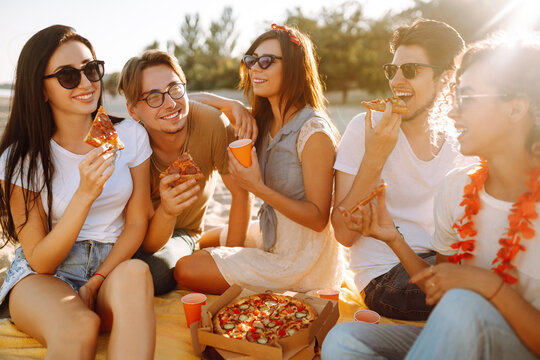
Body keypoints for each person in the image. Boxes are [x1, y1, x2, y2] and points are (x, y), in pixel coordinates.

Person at [322, 32, 540, 360]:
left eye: (467, 98)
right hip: (428, 301)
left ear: (516, 107)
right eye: (392, 70)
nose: (455, 113)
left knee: (462, 304)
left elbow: (459, 296)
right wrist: (392, 239)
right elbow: (441, 289)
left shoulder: (458, 148)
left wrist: (483, 285)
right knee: (343, 340)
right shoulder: (457, 189)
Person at [0, 25, 155, 359]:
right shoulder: (21, 158)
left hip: (111, 265)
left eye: (91, 69)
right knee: (80, 326)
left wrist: (97, 279)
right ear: (41, 90)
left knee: (138, 272)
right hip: (43, 277)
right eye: (68, 76)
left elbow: (136, 224)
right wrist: (84, 195)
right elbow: (41, 259)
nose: (86, 84)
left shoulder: (130, 135)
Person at [172, 24, 344, 294]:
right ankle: (242, 269)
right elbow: (185, 103)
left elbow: (318, 218)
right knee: (204, 241)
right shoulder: (264, 120)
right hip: (270, 233)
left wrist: (258, 188)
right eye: (251, 60)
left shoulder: (314, 132)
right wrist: (232, 105)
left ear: (295, 68)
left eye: (266, 61)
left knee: (186, 269)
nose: (255, 69)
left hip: (301, 259)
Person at [331, 19, 473, 320]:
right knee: (474, 296)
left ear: (446, 78)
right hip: (383, 275)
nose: (396, 81)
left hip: (442, 260)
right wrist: (375, 155)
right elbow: (343, 233)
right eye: (392, 70)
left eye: (410, 70)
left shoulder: (462, 136)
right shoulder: (366, 126)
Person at [117, 50, 252, 295]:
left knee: (154, 273)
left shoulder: (213, 124)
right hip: (129, 230)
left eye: (174, 89)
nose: (169, 103)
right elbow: (142, 236)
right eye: (153, 97)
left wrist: (231, 263)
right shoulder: (130, 144)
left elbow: (241, 195)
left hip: (181, 232)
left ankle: (209, 240)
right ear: (133, 111)